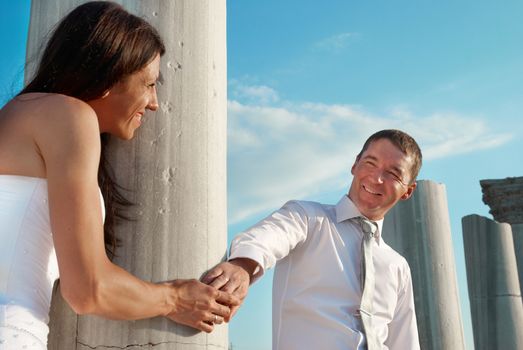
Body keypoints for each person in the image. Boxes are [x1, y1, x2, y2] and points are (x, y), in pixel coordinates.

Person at [0, 2, 238, 349]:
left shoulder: (18, 116)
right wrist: (175, 297)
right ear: (110, 75)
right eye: (149, 83)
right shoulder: (68, 116)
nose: (154, 102)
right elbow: (89, 289)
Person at [204, 129, 422, 349]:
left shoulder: (398, 267)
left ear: (408, 191)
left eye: (393, 174)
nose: (376, 178)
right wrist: (243, 266)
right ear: (355, 164)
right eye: (370, 163)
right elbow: (267, 237)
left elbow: (405, 343)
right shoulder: (307, 218)